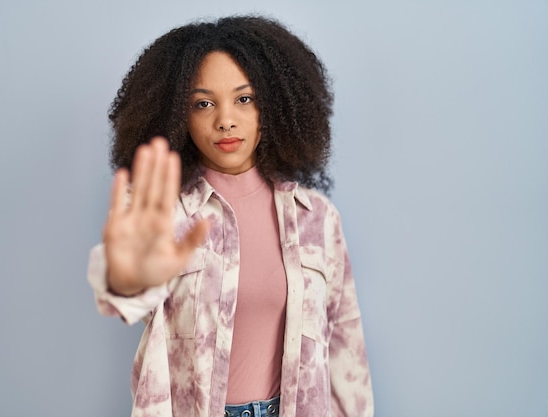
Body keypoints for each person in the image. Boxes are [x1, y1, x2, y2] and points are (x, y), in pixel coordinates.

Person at [88, 15, 374, 417]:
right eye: (203, 103)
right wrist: (125, 275)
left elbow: (347, 353)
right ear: (176, 117)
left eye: (245, 98)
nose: (225, 119)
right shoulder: (166, 212)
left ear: (274, 105)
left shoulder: (317, 218)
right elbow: (126, 295)